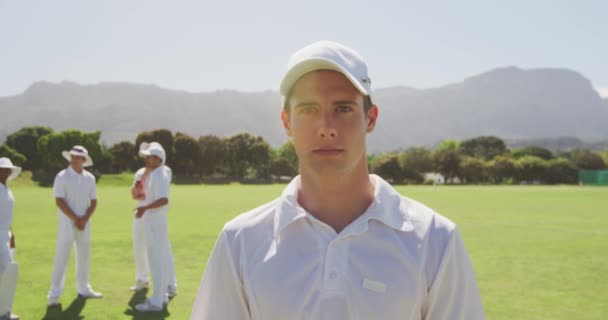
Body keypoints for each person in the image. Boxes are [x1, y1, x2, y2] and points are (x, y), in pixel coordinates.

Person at [191, 40, 484, 319]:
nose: (326, 128)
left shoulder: (435, 239)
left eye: (343, 108)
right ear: (286, 122)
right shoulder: (240, 241)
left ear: (370, 118)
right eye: (308, 110)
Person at [47, 146, 102, 307]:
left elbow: (94, 201)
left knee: (84, 255)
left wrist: (84, 219)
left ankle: (84, 289)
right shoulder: (62, 176)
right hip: (66, 222)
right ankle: (54, 295)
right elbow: (59, 200)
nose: (75, 159)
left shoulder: (90, 178)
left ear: (84, 160)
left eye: (78, 157)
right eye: (73, 156)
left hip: (85, 222)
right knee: (62, 256)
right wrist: (75, 218)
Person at [130, 142, 177, 297]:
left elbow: (163, 198)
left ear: (158, 158)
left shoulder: (164, 172)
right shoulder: (140, 173)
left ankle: (170, 284)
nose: (146, 159)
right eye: (146, 156)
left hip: (153, 215)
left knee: (163, 250)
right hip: (140, 214)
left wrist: (145, 207)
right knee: (139, 248)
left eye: (149, 156)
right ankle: (142, 280)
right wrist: (140, 182)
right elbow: (137, 195)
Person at [0, 158, 21, 320]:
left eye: (7, 170)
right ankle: (4, 312)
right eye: (2, 169)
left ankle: (5, 311)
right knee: (10, 270)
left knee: (7, 273)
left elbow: (7, 216)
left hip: (5, 236)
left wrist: (11, 234)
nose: (5, 172)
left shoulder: (8, 190)